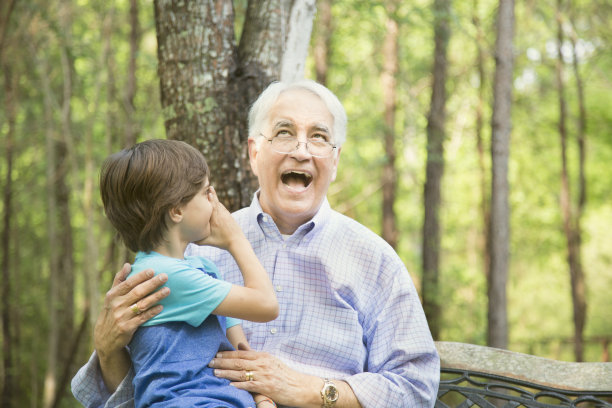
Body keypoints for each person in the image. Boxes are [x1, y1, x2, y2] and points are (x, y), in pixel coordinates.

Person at [72, 80, 440, 407]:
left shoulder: (374, 260)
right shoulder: (191, 251)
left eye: (319, 137)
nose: (302, 150)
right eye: (284, 132)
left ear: (335, 158)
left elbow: (416, 389)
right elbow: (146, 386)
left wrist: (313, 391)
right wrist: (107, 350)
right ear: (254, 152)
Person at [94, 139, 279, 407]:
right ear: (177, 210)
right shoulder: (163, 276)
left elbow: (240, 353)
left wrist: (262, 400)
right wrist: (235, 240)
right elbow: (266, 305)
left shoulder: (201, 271)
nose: (215, 203)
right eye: (206, 192)